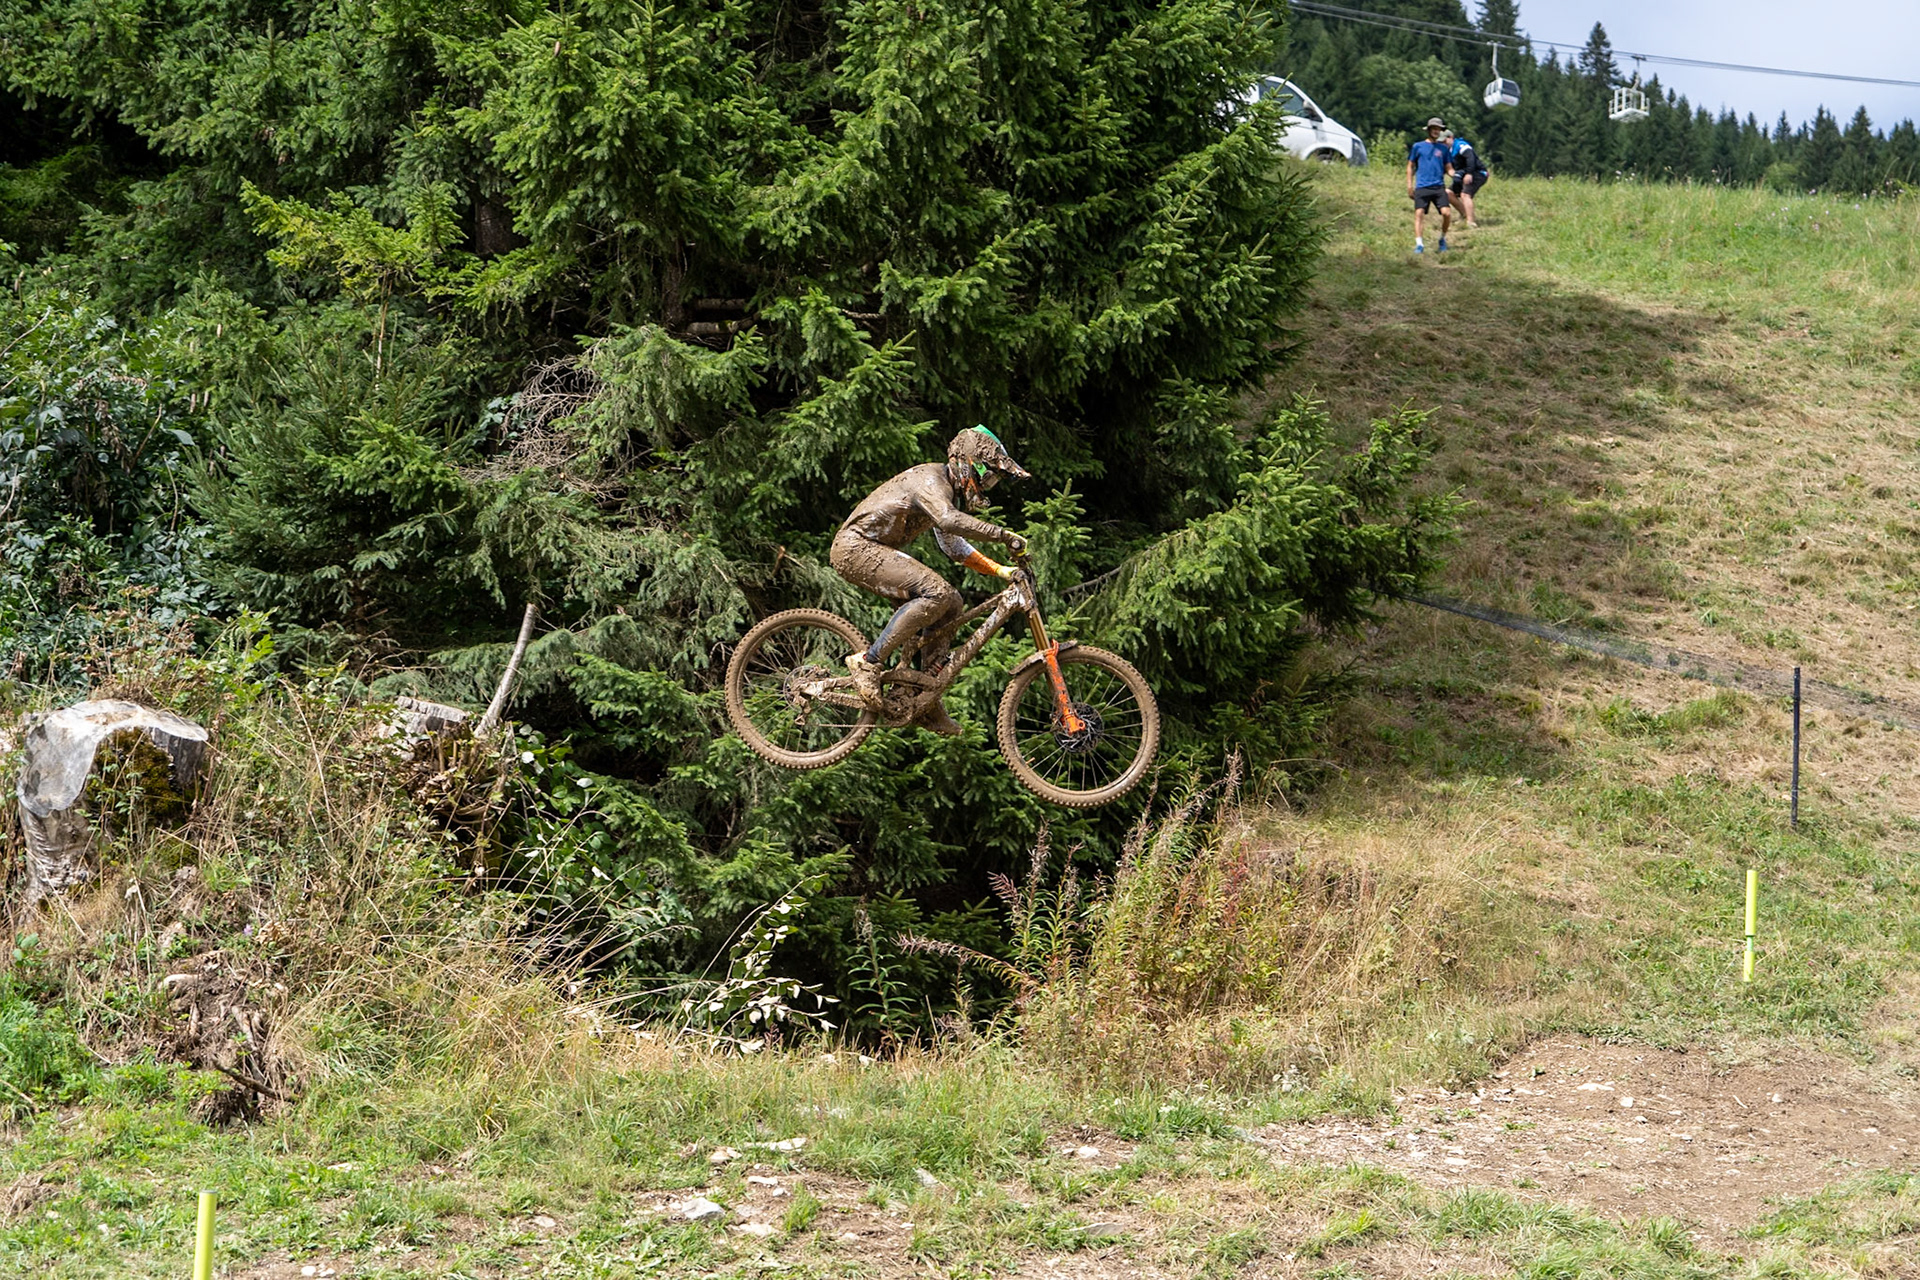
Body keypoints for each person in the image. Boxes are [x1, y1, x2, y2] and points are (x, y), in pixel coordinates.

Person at [831, 426, 1031, 734]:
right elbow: (949, 521)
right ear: (968, 463)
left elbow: (953, 546)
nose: (987, 486)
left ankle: (926, 696)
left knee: (952, 604)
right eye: (987, 476)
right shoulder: (930, 480)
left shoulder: (943, 492)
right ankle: (868, 663)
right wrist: (1002, 535)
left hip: (873, 549)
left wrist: (998, 570)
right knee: (937, 592)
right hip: (856, 547)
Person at [1405, 116, 1454, 254]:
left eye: (1438, 129)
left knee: (1446, 213)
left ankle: (1442, 238)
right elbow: (1410, 166)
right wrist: (1409, 186)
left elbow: (1449, 168)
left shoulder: (1443, 149)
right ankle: (1419, 244)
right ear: (1429, 130)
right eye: (1434, 128)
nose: (1436, 131)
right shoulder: (1418, 146)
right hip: (1422, 186)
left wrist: (1456, 175)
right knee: (1419, 213)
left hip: (1438, 186)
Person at [1444, 129, 1490, 228]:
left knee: (1465, 194)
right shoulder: (1447, 151)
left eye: (1444, 141)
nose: (1442, 143)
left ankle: (1471, 222)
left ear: (1451, 138)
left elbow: (1470, 158)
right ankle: (1464, 214)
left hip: (1477, 173)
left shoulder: (1461, 145)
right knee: (1448, 193)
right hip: (1463, 174)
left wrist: (1469, 174)